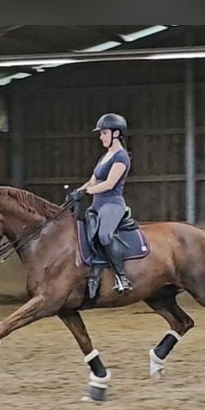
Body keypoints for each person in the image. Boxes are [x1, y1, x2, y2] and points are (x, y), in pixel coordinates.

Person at [67, 112, 133, 293]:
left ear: (116, 134)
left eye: (104, 132)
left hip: (112, 204)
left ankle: (122, 277)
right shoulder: (105, 156)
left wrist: (87, 191)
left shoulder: (121, 157)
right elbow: (93, 181)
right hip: (96, 205)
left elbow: (109, 184)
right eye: (101, 133)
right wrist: (78, 191)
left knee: (104, 235)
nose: (101, 136)